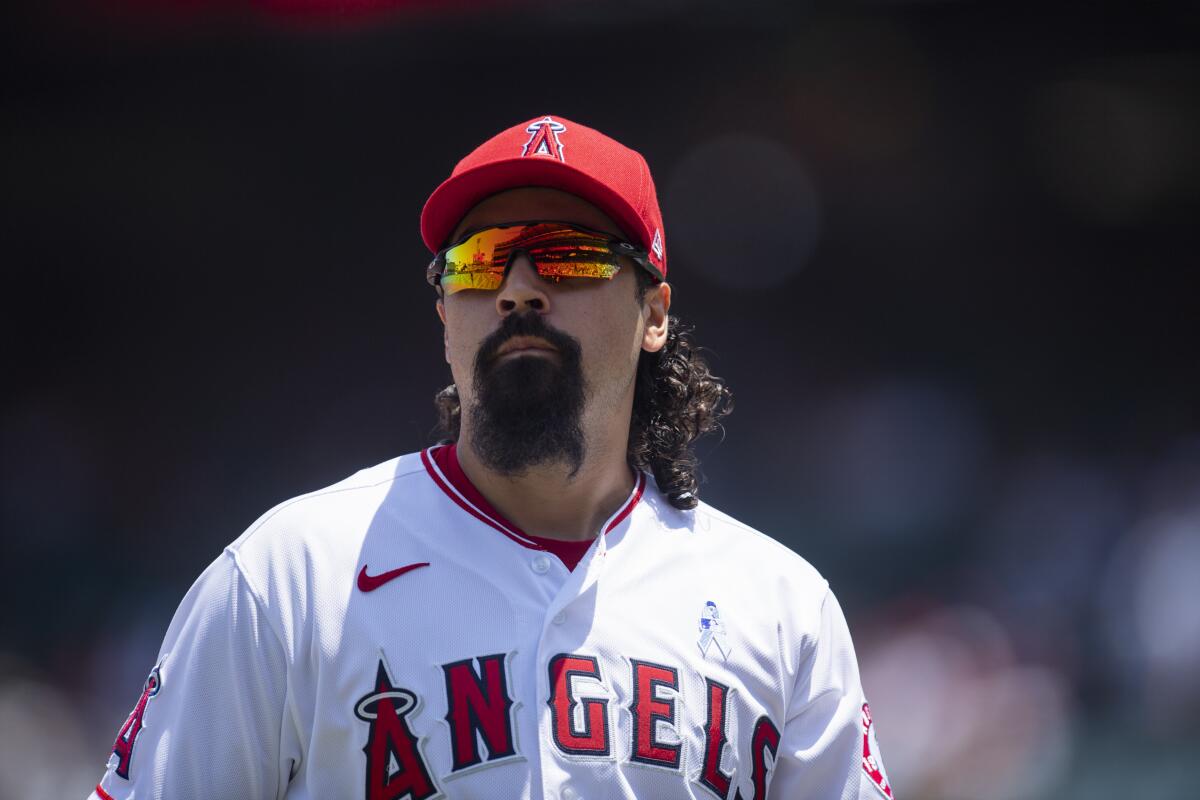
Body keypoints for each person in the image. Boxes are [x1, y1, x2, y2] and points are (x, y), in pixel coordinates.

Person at [90, 114, 895, 800]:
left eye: (568, 255)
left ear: (653, 312)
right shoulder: (287, 577)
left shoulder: (783, 610)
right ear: (445, 317)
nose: (517, 289)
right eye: (479, 261)